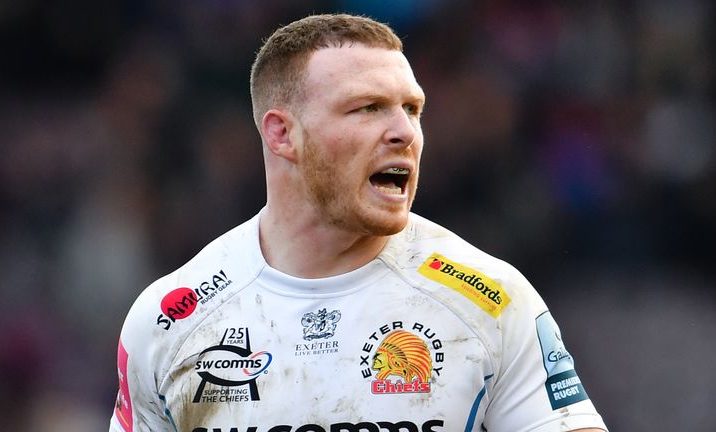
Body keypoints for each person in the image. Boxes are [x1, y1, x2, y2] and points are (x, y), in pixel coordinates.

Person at [109, 13, 608, 432]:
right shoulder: (168, 321)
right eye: (368, 108)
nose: (404, 133)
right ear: (282, 134)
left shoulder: (491, 300)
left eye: (412, 110)